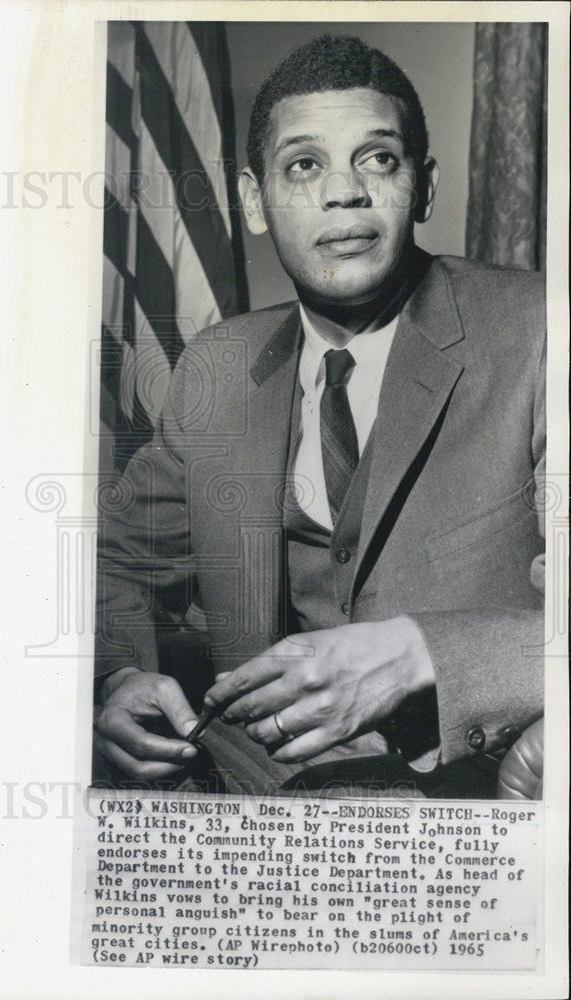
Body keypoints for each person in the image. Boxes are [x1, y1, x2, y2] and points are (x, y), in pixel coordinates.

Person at [93, 34, 545, 797]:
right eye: (304, 165)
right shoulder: (217, 365)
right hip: (255, 798)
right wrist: (118, 676)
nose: (343, 193)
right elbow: (117, 562)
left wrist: (417, 654)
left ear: (423, 188)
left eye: (377, 159)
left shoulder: (538, 332)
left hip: (463, 805)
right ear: (251, 200)